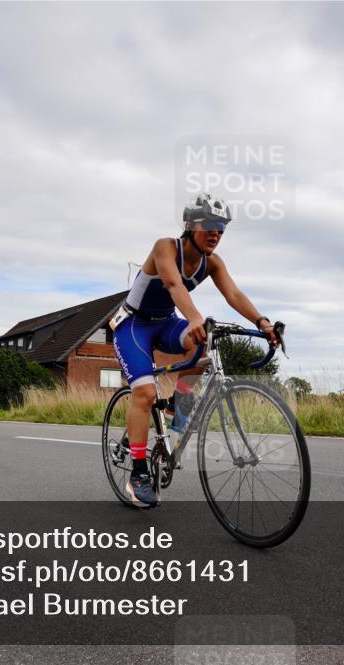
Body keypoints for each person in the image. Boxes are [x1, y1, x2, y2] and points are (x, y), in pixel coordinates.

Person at [111, 194, 279, 507]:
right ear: (189, 226)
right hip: (133, 326)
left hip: (165, 323)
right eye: (210, 226)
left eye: (222, 229)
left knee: (206, 342)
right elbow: (174, 285)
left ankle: (179, 398)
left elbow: (233, 293)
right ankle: (137, 473)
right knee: (145, 395)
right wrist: (194, 316)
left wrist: (262, 321)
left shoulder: (212, 263)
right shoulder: (165, 247)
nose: (216, 233)